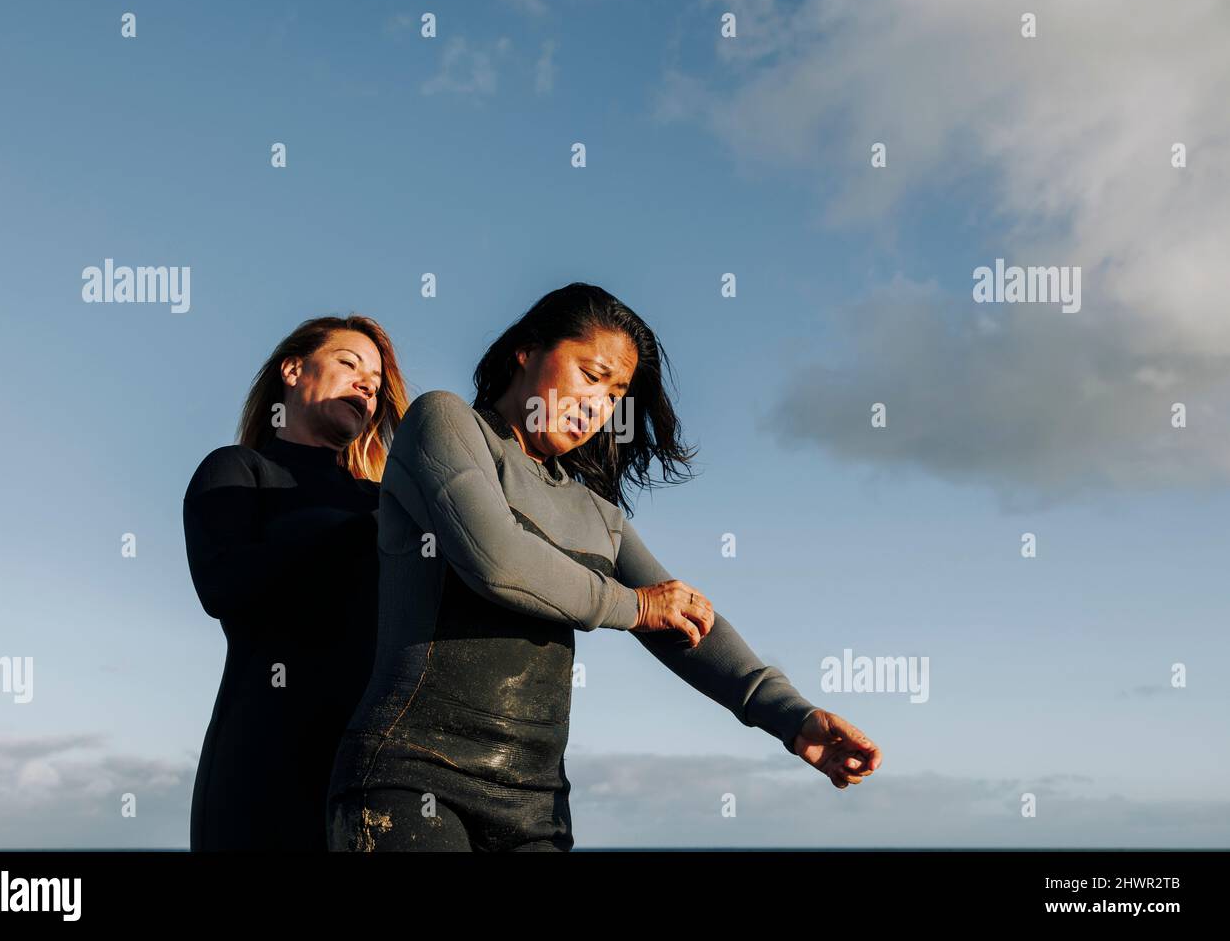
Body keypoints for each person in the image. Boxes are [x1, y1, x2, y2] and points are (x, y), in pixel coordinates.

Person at [326, 283, 881, 852]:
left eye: (616, 395)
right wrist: (634, 606)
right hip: (411, 783)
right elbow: (494, 559)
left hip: (535, 806)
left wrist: (794, 716)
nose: (599, 405)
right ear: (528, 349)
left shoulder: (596, 514)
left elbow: (686, 622)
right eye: (591, 375)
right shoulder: (445, 424)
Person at [183, 315, 409, 850]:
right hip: (261, 768)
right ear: (292, 369)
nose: (366, 385)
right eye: (349, 364)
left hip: (370, 776)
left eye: (375, 382)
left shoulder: (386, 502)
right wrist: (359, 531)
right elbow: (223, 586)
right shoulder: (238, 471)